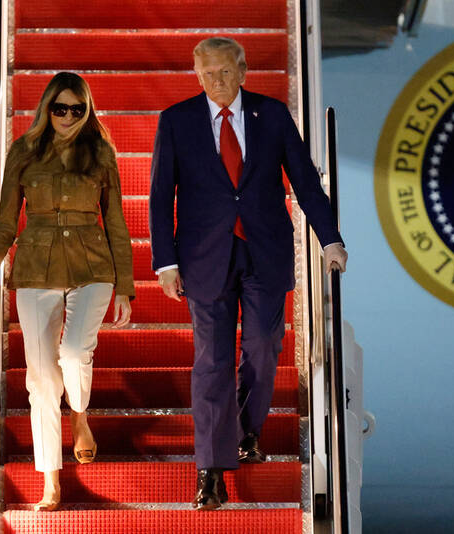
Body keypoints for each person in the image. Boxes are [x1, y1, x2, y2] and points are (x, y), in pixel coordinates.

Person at [149, 37, 347, 510]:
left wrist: (330, 240)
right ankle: (210, 471)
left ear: (242, 71)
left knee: (262, 346)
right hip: (203, 258)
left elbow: (305, 182)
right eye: (207, 73)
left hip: (264, 252)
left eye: (224, 72)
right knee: (211, 362)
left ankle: (246, 429)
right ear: (196, 75)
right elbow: (159, 195)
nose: (216, 81)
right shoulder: (176, 120)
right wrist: (165, 262)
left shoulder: (272, 114)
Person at [0, 72, 135, 511]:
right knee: (40, 380)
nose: (69, 117)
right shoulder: (23, 151)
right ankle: (51, 482)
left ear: (87, 111)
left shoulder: (101, 152)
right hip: (36, 268)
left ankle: (79, 415)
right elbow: (5, 221)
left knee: (74, 353)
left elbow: (115, 221)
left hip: (92, 266)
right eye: (61, 108)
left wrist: (125, 286)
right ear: (47, 109)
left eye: (78, 109)